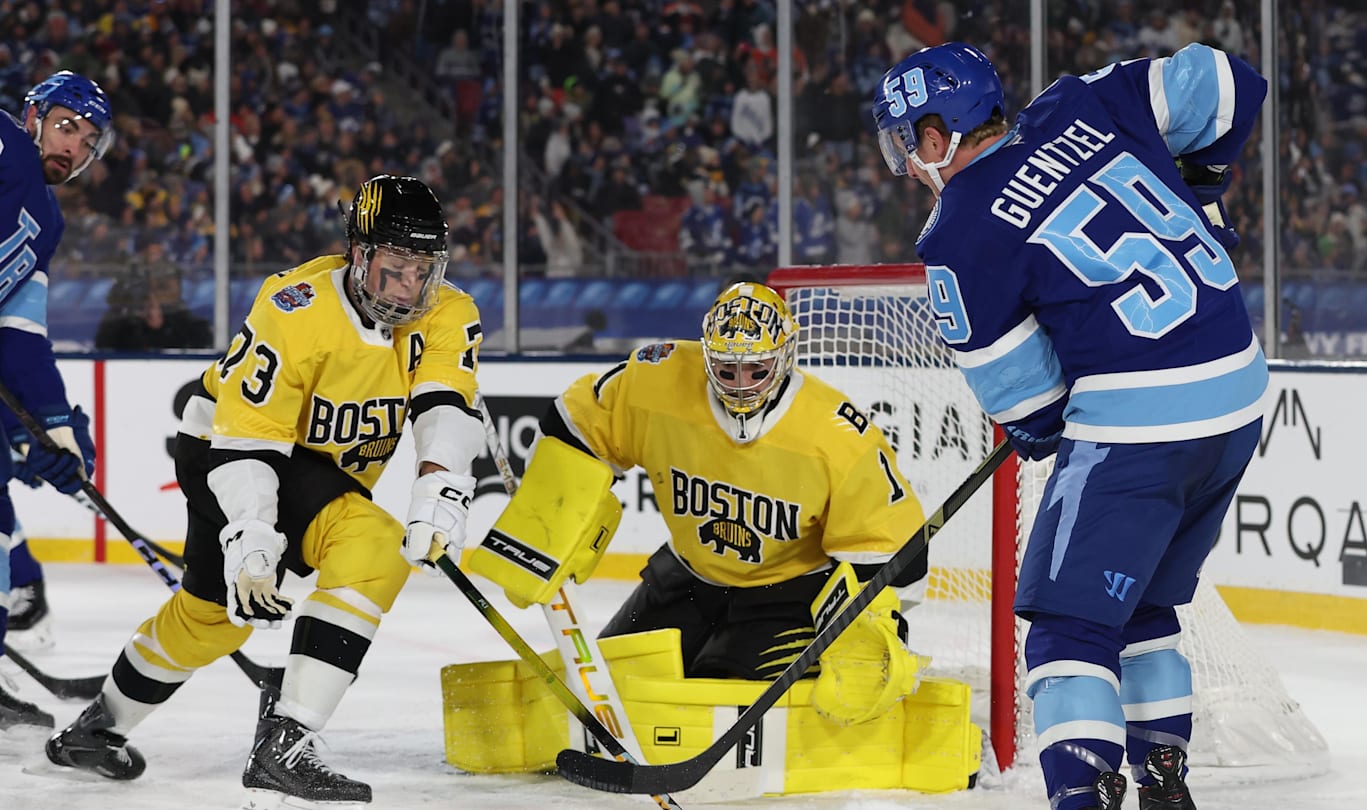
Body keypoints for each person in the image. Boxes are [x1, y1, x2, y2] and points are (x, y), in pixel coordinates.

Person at [873, 42, 1268, 810]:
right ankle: (1161, 784)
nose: (907, 162)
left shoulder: (955, 235)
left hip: (1142, 426)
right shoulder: (1083, 99)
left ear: (933, 135)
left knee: (1066, 629)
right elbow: (1226, 82)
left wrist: (1049, 424)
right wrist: (1202, 185)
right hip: (1239, 391)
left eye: (904, 141)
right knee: (1140, 604)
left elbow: (1034, 412)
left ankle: (1082, 798)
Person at [46, 175, 487, 808]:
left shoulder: (450, 312)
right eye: (394, 268)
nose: (408, 288)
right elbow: (251, 437)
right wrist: (252, 537)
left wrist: (440, 488)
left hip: (308, 467)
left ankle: (98, 729)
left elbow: (444, 404)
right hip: (229, 450)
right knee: (373, 546)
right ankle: (286, 743)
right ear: (359, 254)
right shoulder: (297, 307)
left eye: (423, 270)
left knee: (210, 621)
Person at [495, 282, 930, 727]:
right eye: (726, 370)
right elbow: (573, 426)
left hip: (787, 596)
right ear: (706, 356)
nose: (741, 386)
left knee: (724, 712)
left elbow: (892, 550)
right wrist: (547, 523)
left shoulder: (835, 437)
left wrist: (870, 631)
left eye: (756, 370)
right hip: (685, 579)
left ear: (785, 357)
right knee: (605, 696)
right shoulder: (657, 380)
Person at [0, 70, 113, 733]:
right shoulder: (7, 143)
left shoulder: (46, 221)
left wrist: (55, 426)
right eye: (68, 126)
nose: (75, 147)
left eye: (89, 140)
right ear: (34, 114)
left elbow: (20, 334)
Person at [93, 262, 214, 351]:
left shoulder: (192, 326)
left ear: (179, 290)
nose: (157, 293)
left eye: (163, 286)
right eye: (153, 286)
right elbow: (103, 348)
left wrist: (160, 327)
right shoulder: (126, 323)